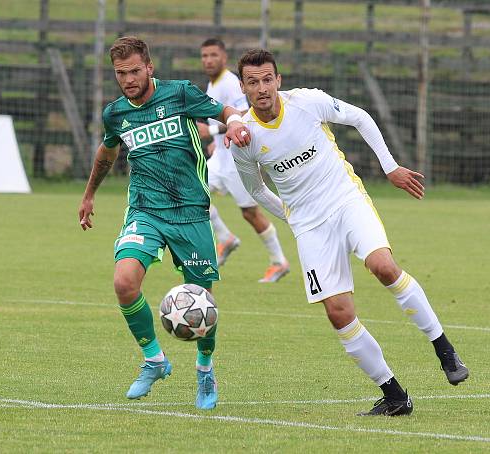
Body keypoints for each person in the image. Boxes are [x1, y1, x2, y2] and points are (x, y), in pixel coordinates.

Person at [230, 49, 468, 417]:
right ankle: (394, 395)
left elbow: (359, 117)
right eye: (252, 82)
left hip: (346, 200)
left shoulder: (307, 102)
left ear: (278, 80)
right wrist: (289, 217)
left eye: (267, 79)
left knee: (383, 266)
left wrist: (389, 167)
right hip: (309, 225)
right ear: (243, 88)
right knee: (339, 313)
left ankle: (444, 349)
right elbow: (257, 190)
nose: (262, 88)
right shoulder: (245, 138)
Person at [78, 36, 251, 410]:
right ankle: (154, 360)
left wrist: (236, 122)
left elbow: (223, 111)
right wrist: (90, 193)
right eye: (120, 73)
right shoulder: (115, 113)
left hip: (190, 212)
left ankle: (205, 369)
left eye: (134, 71)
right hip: (146, 210)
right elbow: (107, 151)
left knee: (202, 301)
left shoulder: (180, 94)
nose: (128, 79)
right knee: (124, 282)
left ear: (149, 68)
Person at [198, 37, 290, 283]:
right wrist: (214, 142)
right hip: (220, 158)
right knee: (191, 193)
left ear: (224, 57)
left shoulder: (230, 83)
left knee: (250, 213)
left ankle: (279, 261)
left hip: (238, 159)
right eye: (204, 56)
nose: (208, 60)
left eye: (213, 55)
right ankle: (225, 238)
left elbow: (242, 116)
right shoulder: (213, 85)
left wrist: (213, 132)